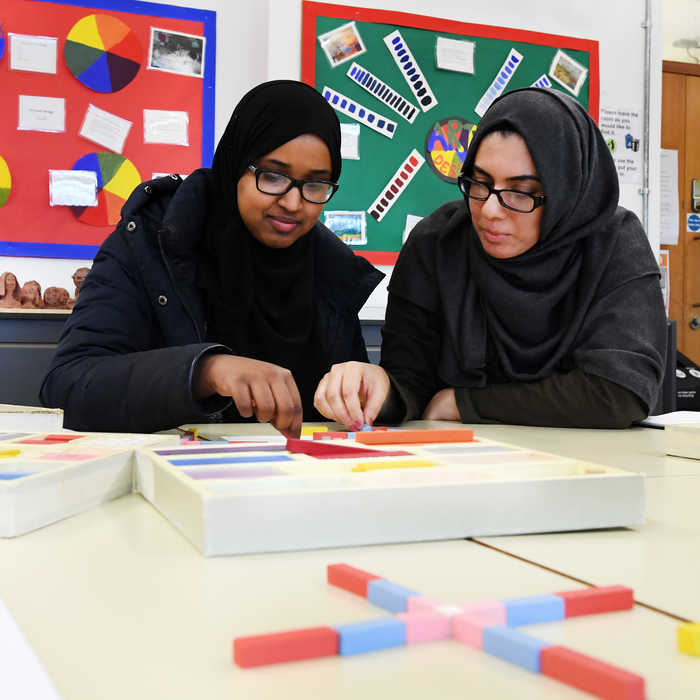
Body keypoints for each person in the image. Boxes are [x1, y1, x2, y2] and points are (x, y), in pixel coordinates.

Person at [41, 80, 383, 434]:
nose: (293, 203)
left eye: (315, 184)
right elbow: (69, 384)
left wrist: (367, 388)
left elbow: (353, 416)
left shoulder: (332, 270)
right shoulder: (150, 240)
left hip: (299, 480)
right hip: (171, 478)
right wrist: (204, 371)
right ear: (237, 165)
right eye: (274, 176)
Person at [314, 87, 667, 430]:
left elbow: (620, 391)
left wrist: (463, 403)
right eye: (479, 183)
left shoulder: (613, 243)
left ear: (566, 191)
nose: (491, 210)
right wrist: (379, 383)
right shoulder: (437, 243)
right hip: (459, 464)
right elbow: (411, 382)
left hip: (592, 472)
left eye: (521, 191)